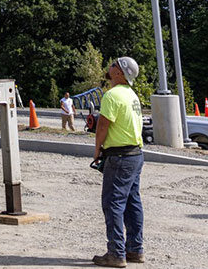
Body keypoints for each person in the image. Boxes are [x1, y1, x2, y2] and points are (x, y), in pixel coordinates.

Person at [92, 56, 144, 268]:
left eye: (114, 65)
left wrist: (97, 150)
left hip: (120, 156)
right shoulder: (132, 95)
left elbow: (103, 125)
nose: (110, 66)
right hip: (135, 154)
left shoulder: (112, 95)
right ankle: (135, 249)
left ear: (119, 73)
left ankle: (116, 253)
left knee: (113, 203)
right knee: (132, 203)